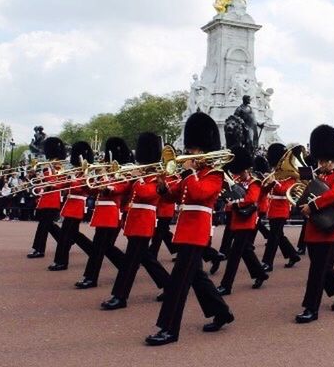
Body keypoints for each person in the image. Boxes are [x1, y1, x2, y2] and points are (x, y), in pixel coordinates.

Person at [146, 112, 233, 346]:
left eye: (195, 149)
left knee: (178, 283)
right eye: (191, 149)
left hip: (197, 230)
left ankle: (168, 329)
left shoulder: (215, 174)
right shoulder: (193, 173)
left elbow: (200, 194)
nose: (191, 153)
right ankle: (221, 311)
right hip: (185, 228)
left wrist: (187, 172)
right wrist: (163, 188)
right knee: (196, 276)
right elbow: (175, 197)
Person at [101, 133, 171, 310]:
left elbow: (146, 194)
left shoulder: (159, 175)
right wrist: (109, 187)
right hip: (134, 220)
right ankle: (169, 286)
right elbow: (125, 187)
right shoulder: (141, 173)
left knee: (129, 262)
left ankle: (120, 296)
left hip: (144, 221)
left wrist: (138, 177)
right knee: (146, 258)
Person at [295, 125, 334, 323]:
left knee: (317, 271)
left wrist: (312, 205)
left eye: (327, 160)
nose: (323, 163)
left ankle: (311, 309)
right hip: (314, 228)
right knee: (321, 268)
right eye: (320, 160)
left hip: (329, 229)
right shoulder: (316, 178)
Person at [74, 137, 132, 289]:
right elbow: (93, 190)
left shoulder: (123, 173)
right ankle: (124, 266)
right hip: (101, 213)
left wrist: (106, 178)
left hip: (112, 213)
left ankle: (91, 277)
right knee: (102, 247)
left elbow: (120, 188)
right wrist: (87, 180)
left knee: (101, 247)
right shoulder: (104, 173)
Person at [217, 146, 269, 295]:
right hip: (237, 219)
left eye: (241, 171)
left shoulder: (255, 182)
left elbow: (251, 199)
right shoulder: (237, 180)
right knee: (246, 250)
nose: (239, 174)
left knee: (234, 254)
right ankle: (260, 274)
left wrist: (235, 203)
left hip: (247, 220)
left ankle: (226, 285)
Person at [49, 141, 95, 271]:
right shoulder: (75, 172)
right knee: (73, 234)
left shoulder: (87, 173)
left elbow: (81, 189)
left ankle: (61, 262)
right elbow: (63, 185)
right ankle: (93, 251)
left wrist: (73, 178)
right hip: (70, 206)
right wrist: (53, 185)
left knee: (65, 235)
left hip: (77, 206)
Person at [261, 144, 301, 272]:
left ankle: (267, 262)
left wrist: (274, 182)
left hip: (282, 209)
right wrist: (267, 183)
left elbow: (285, 190)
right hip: (273, 208)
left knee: (273, 237)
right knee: (279, 235)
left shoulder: (290, 175)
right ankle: (293, 255)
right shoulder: (276, 174)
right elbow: (266, 191)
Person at [26, 137, 66, 259]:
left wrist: (49, 182)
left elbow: (61, 181)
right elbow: (44, 180)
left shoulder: (58, 165)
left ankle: (39, 249)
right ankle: (65, 240)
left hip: (53, 197)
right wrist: (35, 177)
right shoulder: (48, 164)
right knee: (46, 224)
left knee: (44, 225)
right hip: (45, 197)